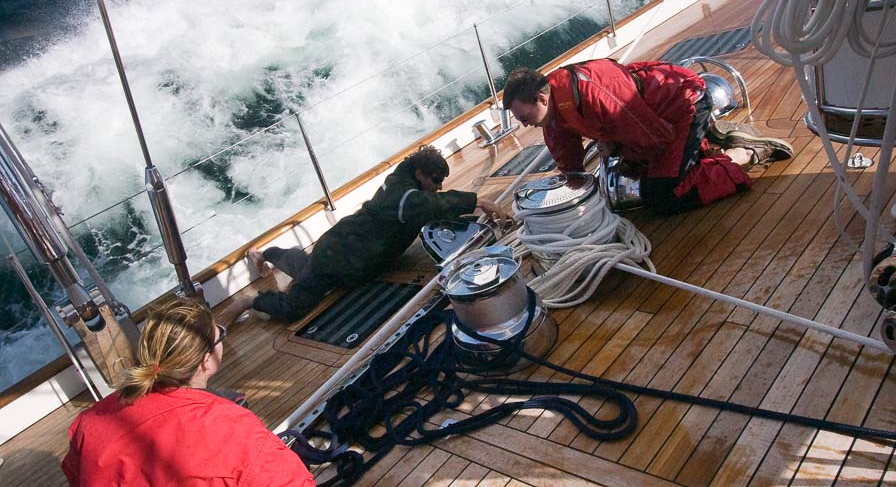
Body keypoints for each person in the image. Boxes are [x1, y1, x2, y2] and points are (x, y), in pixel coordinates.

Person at [229, 145, 509, 323]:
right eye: (435, 181)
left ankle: (264, 253)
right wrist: (478, 201)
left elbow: (431, 209)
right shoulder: (402, 197)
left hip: (346, 252)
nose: (438, 187)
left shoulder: (406, 184)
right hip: (336, 258)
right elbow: (426, 205)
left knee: (301, 264)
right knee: (294, 307)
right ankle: (249, 300)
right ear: (421, 173)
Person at [61, 298, 314, 487]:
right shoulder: (236, 432)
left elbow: (77, 475)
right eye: (220, 336)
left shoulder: (91, 420)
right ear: (206, 359)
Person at [502, 59, 794, 215]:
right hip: (652, 130)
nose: (526, 126)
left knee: (664, 194)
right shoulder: (552, 115)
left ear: (541, 98)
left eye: (524, 118)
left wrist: (618, 149)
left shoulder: (595, 92)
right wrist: (576, 202)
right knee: (644, 180)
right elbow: (571, 165)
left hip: (683, 107)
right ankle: (706, 149)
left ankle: (744, 154)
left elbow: (656, 137)